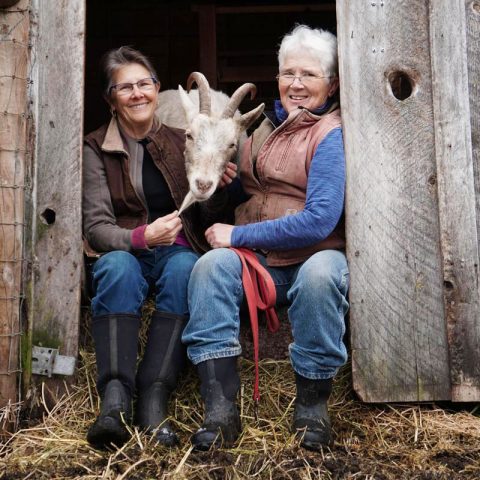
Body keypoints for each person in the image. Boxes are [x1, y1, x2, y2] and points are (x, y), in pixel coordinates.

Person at [182, 25, 349, 451]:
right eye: (288, 73)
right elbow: (243, 201)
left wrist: (238, 233)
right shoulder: (257, 131)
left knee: (321, 277)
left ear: (331, 83)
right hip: (260, 264)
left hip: (314, 255)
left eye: (309, 75)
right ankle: (221, 408)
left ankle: (312, 407)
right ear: (276, 78)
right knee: (209, 268)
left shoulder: (332, 133)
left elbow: (320, 220)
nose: (296, 84)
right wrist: (224, 191)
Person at [82, 46, 232, 449]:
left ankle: (154, 397)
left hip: (176, 249)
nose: (137, 93)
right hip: (125, 249)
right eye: (125, 87)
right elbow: (96, 228)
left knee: (186, 270)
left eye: (144, 84)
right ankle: (114, 400)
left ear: (156, 88)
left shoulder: (181, 138)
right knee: (115, 268)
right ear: (110, 97)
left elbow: (203, 210)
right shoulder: (95, 149)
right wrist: (139, 238)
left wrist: (220, 185)